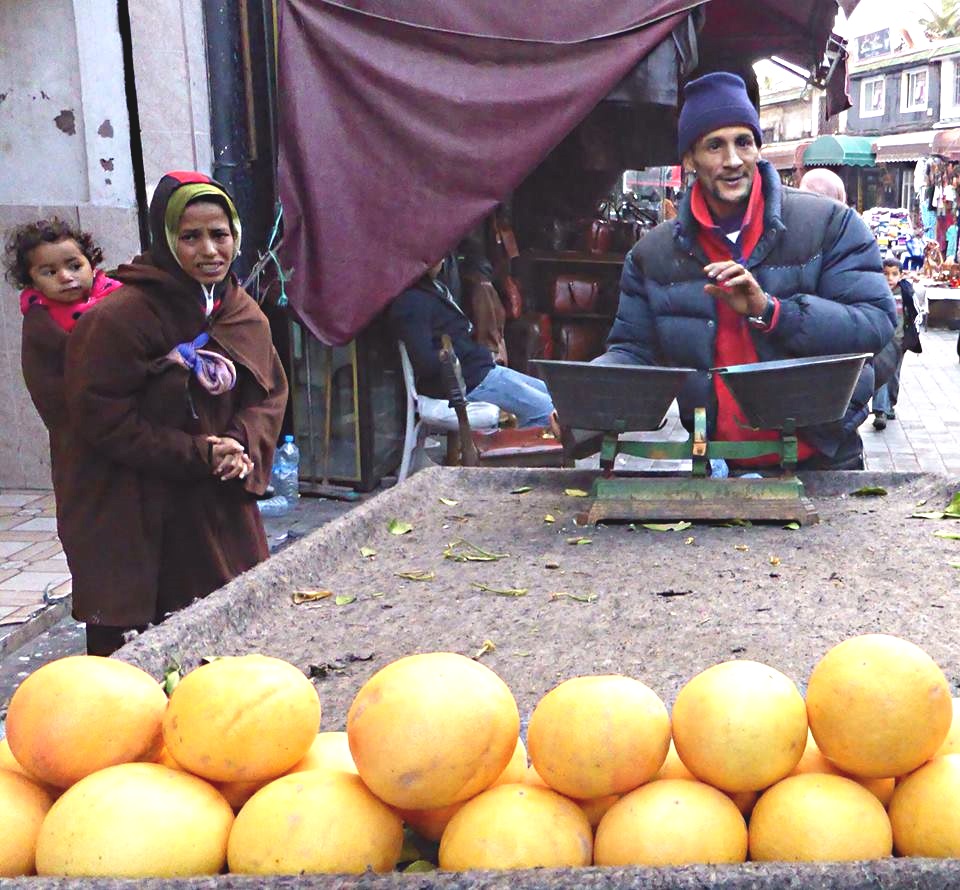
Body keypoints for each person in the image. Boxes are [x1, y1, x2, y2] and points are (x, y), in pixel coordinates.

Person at [596, 72, 895, 470]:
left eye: (743, 142)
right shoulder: (652, 256)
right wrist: (585, 395)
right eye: (714, 145)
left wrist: (773, 312)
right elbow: (633, 351)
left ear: (758, 147)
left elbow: (876, 323)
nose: (732, 160)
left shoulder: (829, 225)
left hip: (821, 460)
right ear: (689, 158)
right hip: (720, 465)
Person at [61, 171, 288, 655]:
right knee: (141, 663)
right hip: (140, 507)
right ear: (165, 239)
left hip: (220, 503)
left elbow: (270, 393)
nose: (210, 250)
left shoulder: (243, 311)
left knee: (230, 647)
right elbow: (101, 418)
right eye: (191, 237)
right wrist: (196, 452)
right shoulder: (119, 319)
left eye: (219, 234)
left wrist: (239, 445)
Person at [4, 218, 123, 568]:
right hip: (84, 445)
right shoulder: (42, 325)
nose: (67, 277)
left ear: (91, 263)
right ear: (32, 282)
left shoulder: (120, 297)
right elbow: (54, 393)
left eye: (74, 265)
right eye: (49, 272)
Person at [389, 256, 555, 428]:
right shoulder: (412, 302)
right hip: (469, 381)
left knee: (556, 397)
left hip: (481, 371)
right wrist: (459, 355)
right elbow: (424, 362)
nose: (442, 259)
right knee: (547, 412)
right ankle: (521, 452)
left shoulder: (433, 288)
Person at [871, 258, 920, 431]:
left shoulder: (905, 291)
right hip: (881, 341)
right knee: (881, 374)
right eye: (885, 274)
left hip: (899, 341)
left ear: (901, 275)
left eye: (894, 274)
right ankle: (880, 411)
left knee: (894, 375)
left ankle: (889, 405)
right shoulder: (874, 291)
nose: (889, 278)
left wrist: (912, 337)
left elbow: (914, 314)